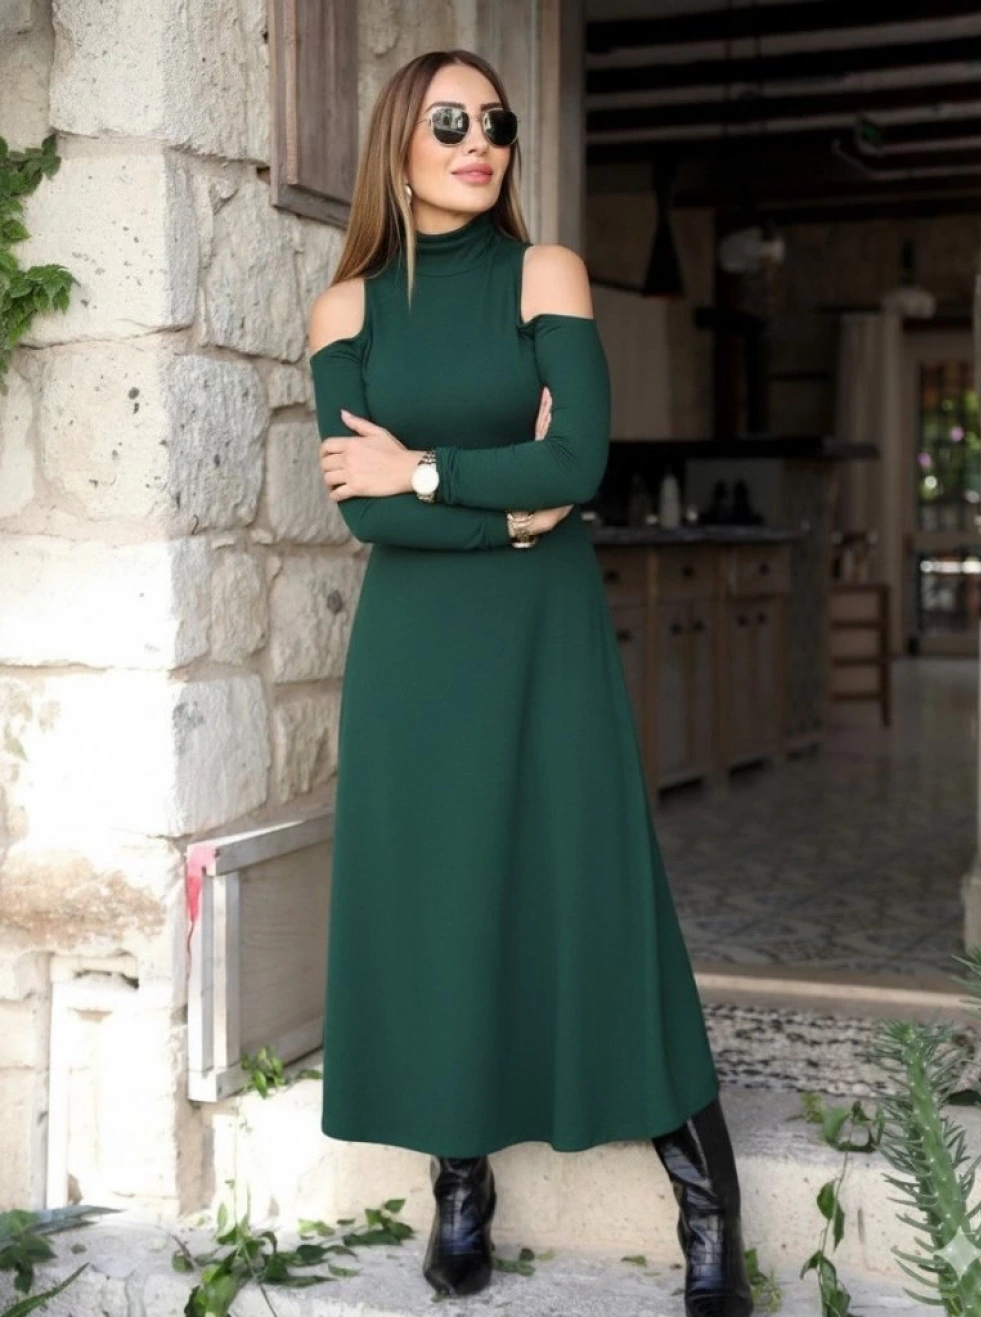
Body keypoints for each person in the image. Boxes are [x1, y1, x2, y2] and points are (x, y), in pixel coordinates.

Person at [305, 48, 754, 1317]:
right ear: (398, 144)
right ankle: (460, 1183)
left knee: (594, 889)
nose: (478, 142)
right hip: (417, 655)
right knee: (442, 901)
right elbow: (362, 513)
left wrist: (429, 472)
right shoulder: (344, 309)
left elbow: (582, 462)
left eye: (494, 122)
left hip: (544, 636)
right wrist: (511, 509)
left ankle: (706, 1207)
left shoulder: (543, 271)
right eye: (449, 121)